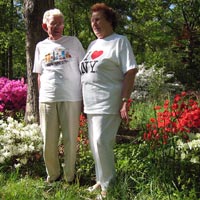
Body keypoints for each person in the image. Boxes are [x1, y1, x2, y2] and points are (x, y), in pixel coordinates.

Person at [79, 3, 138, 199]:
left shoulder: (120, 41)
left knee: (102, 141)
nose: (94, 23)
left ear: (109, 21)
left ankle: (109, 185)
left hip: (108, 101)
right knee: (94, 145)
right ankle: (100, 180)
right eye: (92, 20)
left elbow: (130, 70)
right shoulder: (92, 45)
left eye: (98, 19)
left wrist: (124, 100)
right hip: (90, 103)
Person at [33, 8, 85, 184]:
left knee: (71, 139)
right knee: (49, 141)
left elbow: (84, 69)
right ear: (44, 25)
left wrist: (85, 96)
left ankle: (69, 177)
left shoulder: (74, 42)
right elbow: (39, 75)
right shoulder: (40, 46)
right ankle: (53, 175)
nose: (57, 27)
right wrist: (41, 97)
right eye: (53, 23)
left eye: (60, 23)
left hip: (71, 97)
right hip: (47, 99)